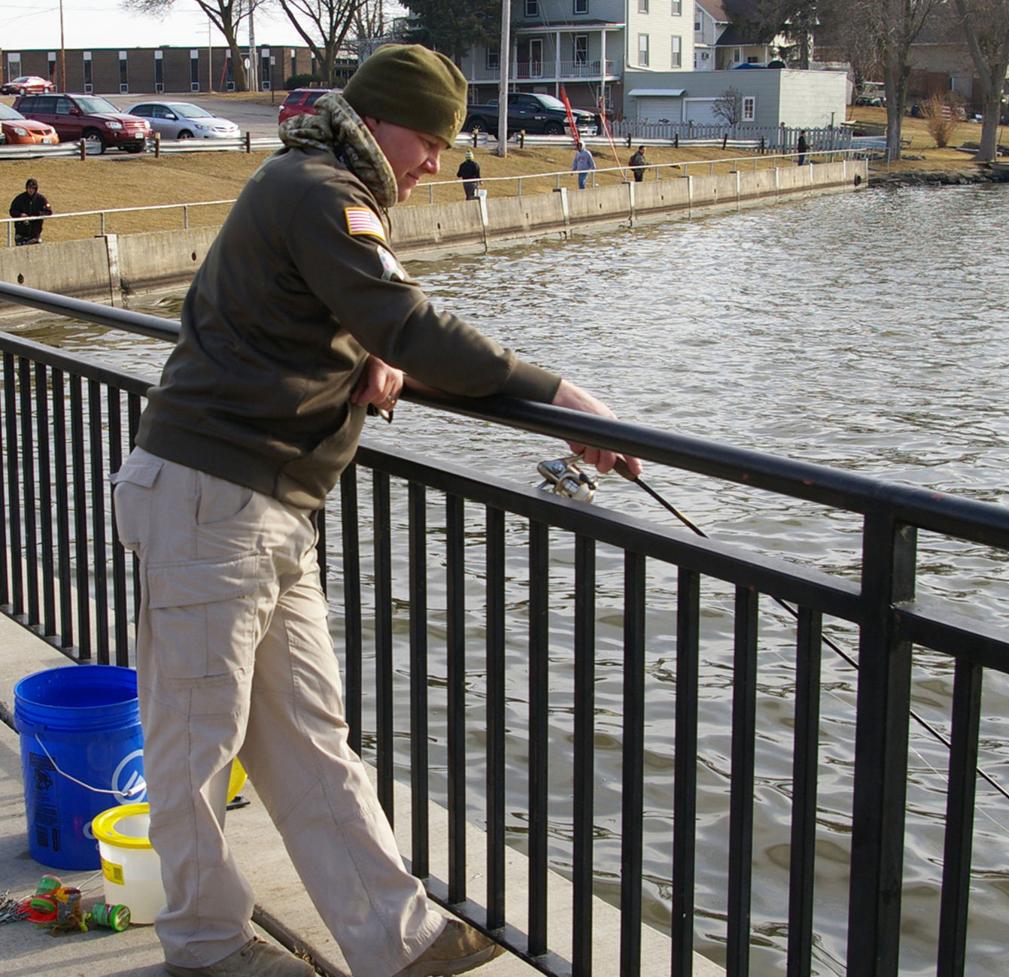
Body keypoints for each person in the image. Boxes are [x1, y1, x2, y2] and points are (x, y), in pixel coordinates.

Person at [110, 44, 640, 977]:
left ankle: (398, 943)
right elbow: (411, 321)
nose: (436, 160)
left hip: (260, 506)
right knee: (193, 744)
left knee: (311, 736)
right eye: (429, 139)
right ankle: (205, 947)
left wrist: (368, 347)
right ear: (381, 119)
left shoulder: (315, 184)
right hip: (210, 500)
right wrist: (561, 397)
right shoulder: (319, 190)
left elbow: (337, 314)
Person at [9, 178, 51, 245]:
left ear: (36, 189)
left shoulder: (41, 199)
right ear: (26, 188)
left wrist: (38, 214)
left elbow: (49, 212)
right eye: (29, 188)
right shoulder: (19, 199)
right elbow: (12, 211)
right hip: (21, 234)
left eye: (33, 188)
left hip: (35, 234)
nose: (31, 190)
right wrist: (20, 214)